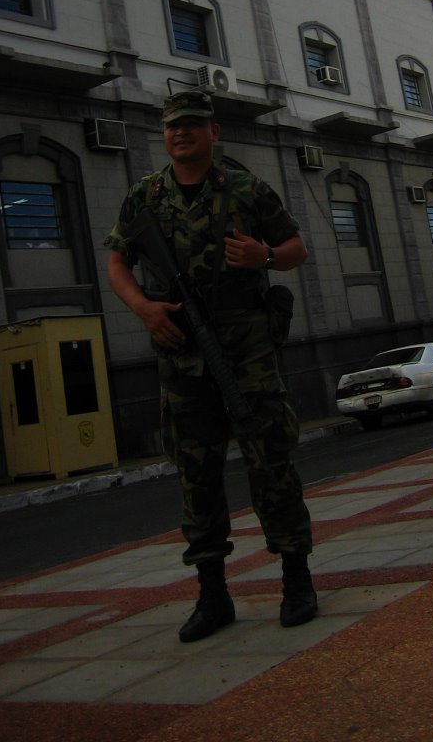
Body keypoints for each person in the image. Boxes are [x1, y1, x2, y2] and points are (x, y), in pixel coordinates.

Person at [105, 89, 317, 643]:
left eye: (193, 125)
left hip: (245, 347)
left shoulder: (246, 188)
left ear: (213, 132)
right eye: (174, 126)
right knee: (195, 472)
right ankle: (213, 595)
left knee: (269, 458)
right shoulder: (144, 197)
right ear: (165, 134)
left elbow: (297, 246)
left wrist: (265, 257)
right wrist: (144, 308)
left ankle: (296, 580)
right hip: (180, 348)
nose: (182, 134)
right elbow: (117, 260)